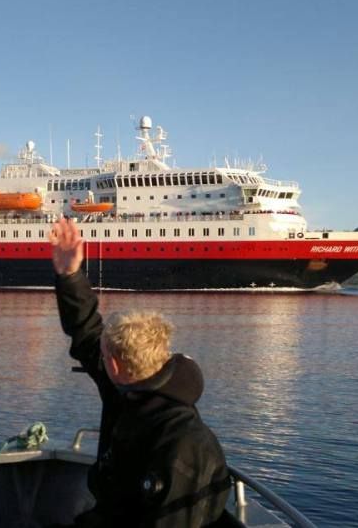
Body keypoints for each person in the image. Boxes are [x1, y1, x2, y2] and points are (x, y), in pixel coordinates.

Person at [49, 218, 233, 527]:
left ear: (116, 364)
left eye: (103, 355)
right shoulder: (130, 388)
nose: (96, 357)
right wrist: (69, 275)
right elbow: (87, 333)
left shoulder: (184, 443)